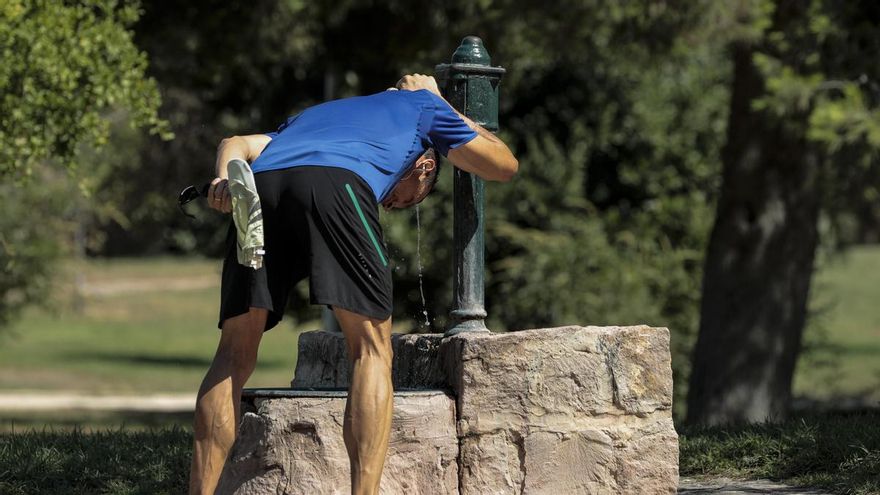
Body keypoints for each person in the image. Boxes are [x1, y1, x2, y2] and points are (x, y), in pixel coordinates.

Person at [188, 74, 518, 495]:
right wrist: (440, 101)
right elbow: (504, 165)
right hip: (338, 184)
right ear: (424, 166)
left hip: (263, 183)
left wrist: (223, 179)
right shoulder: (422, 107)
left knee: (232, 355)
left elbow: (237, 143)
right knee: (371, 351)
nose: (389, 203)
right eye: (402, 199)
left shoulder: (313, 116)